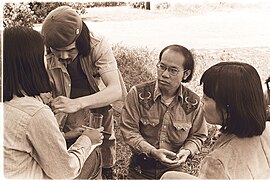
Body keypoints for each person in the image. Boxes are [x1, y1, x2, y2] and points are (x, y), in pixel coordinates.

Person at [3, 26, 104, 179]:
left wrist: (65, 135)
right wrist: (88, 140)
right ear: (32, 63)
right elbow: (65, 172)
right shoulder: (35, 113)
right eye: (44, 55)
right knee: (94, 155)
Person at [41, 6, 127, 179]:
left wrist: (78, 103)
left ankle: (107, 170)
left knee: (104, 132)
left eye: (70, 50)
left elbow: (114, 90)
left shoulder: (98, 43)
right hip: (66, 92)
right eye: (58, 51)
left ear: (81, 40)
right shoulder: (42, 51)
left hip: (97, 91)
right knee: (74, 131)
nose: (64, 56)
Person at [161, 62, 270, 179]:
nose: (201, 101)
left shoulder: (217, 162)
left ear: (227, 107)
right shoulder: (267, 129)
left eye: (206, 98)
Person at [120, 44, 208, 179]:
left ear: (186, 74)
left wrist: (187, 151)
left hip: (174, 171)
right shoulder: (138, 94)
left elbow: (198, 136)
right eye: (162, 67)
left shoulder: (193, 103)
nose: (165, 74)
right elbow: (129, 131)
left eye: (173, 70)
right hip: (141, 170)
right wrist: (152, 151)